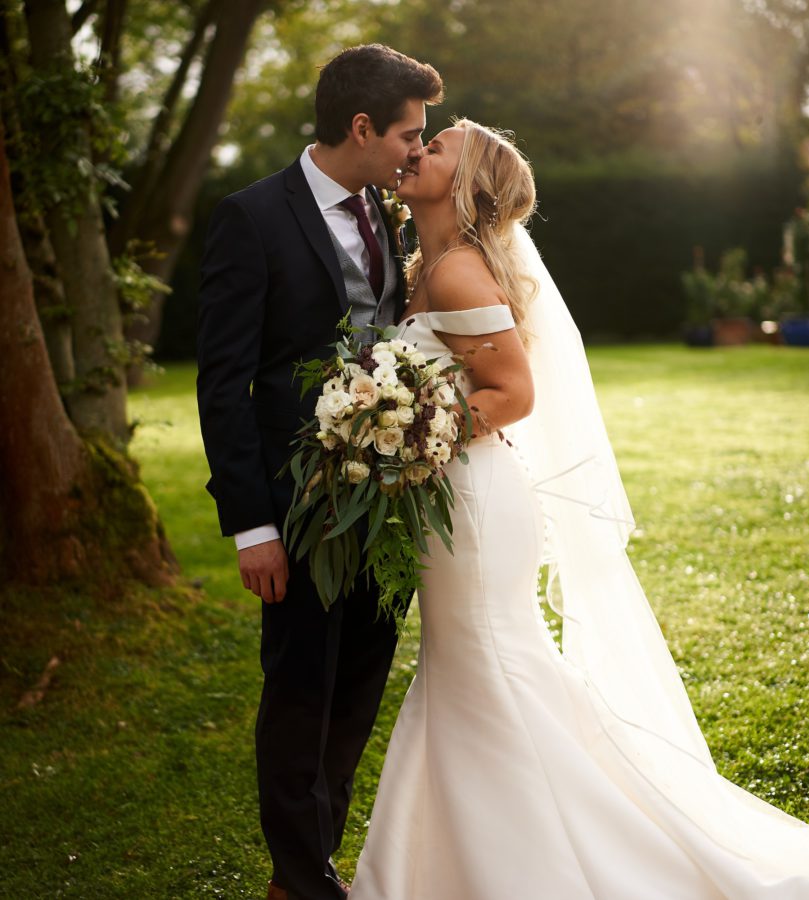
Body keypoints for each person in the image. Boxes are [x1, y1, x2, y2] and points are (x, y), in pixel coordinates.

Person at [346, 119, 809, 899]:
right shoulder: (425, 266)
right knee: (480, 667)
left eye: (435, 147)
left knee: (490, 666)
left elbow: (514, 394)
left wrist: (406, 442)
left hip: (470, 502)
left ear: (465, 184)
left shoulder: (459, 273)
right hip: (457, 496)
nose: (417, 152)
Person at [196, 44, 443, 900]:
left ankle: (306, 866)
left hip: (386, 495)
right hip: (293, 506)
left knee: (359, 686)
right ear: (362, 126)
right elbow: (223, 382)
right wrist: (251, 525)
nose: (421, 147)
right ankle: (304, 877)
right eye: (412, 132)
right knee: (302, 687)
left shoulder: (388, 207)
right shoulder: (251, 217)